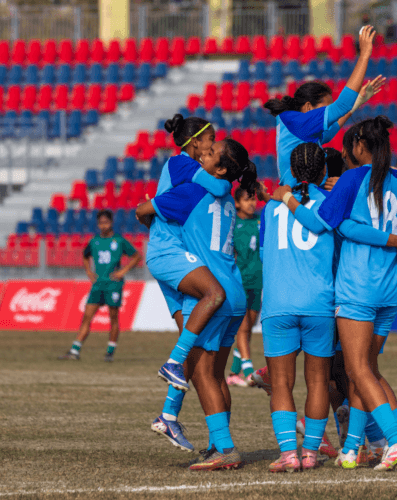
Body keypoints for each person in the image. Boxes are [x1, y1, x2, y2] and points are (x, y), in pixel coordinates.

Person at [260, 142, 397, 472]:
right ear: (324, 170)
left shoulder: (271, 207)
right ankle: (311, 453)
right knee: (318, 381)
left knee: (280, 383)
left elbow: (265, 254)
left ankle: (288, 454)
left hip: (279, 302)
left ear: (291, 171)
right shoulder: (331, 203)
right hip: (320, 304)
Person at [316, 116, 397, 471]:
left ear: (358, 146)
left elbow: (329, 221)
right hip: (388, 289)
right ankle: (357, 447)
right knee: (367, 370)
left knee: (356, 369)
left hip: (357, 286)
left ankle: (396, 440)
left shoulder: (353, 178)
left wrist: (324, 190)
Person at [139, 138, 260, 471]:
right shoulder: (228, 200)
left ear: (219, 169)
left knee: (203, 375)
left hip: (209, 293)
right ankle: (216, 445)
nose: (202, 154)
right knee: (217, 376)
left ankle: (225, 448)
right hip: (234, 291)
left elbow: (145, 211)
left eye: (210, 152)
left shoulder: (191, 192)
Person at [140, 115, 233, 454]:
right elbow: (221, 187)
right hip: (172, 254)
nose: (213, 145)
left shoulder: (182, 169)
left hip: (174, 253)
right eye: (210, 139)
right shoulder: (181, 163)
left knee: (192, 344)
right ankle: (172, 364)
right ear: (195, 142)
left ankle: (168, 415)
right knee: (214, 295)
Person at [264, 25, 383, 187]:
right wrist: (364, 56)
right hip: (299, 197)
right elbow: (341, 106)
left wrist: (358, 102)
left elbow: (330, 131)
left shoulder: (298, 126)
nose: (330, 111)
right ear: (308, 107)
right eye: (326, 107)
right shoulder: (299, 123)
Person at [59, 210, 141, 361]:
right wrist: (89, 271)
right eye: (101, 223)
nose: (103, 226)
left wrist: (123, 271)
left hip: (113, 285)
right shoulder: (94, 241)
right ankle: (74, 351)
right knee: (87, 317)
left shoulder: (119, 241)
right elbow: (85, 256)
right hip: (98, 285)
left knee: (113, 318)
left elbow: (136, 256)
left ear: (111, 223)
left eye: (106, 222)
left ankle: (110, 352)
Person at [226, 186, 262, 388]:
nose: (251, 203)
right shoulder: (233, 225)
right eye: (247, 199)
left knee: (249, 327)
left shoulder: (260, 221)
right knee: (243, 327)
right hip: (240, 281)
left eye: (253, 199)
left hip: (258, 280)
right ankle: (248, 371)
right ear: (237, 203)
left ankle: (233, 373)